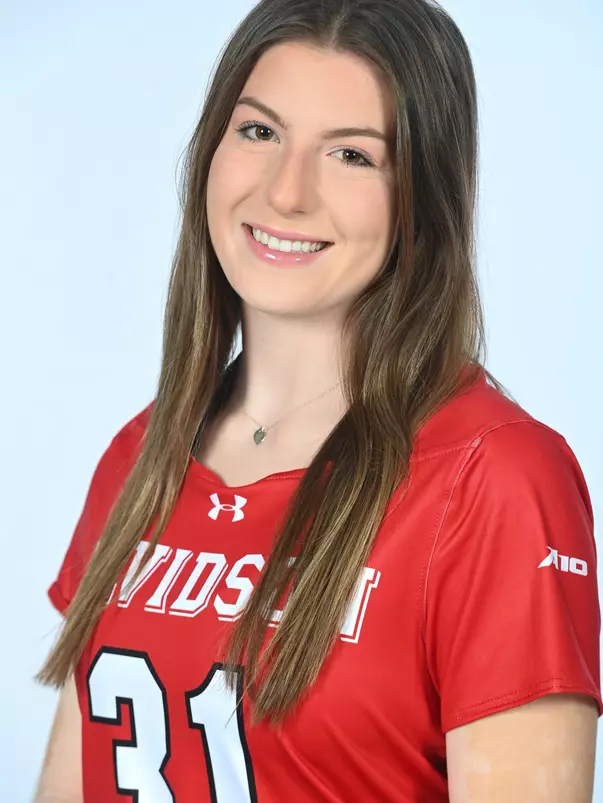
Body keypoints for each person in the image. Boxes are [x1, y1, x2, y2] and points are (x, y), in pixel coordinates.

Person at [34, 0, 602, 800]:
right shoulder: (140, 455)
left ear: (421, 198)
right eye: (259, 132)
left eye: (351, 155)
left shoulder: (494, 479)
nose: (286, 192)